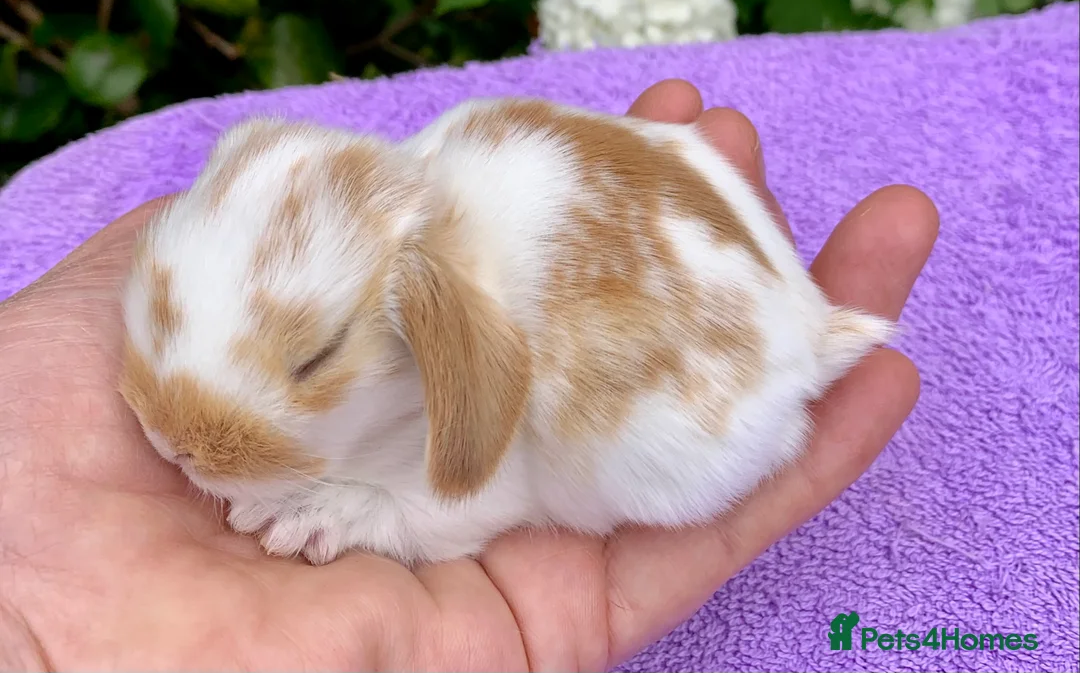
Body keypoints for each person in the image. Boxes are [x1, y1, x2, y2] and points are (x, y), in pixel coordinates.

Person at [0, 79, 937, 672]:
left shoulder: (452, 314)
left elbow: (487, 480)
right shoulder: (414, 184)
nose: (178, 436)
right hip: (682, 265)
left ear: (440, 337)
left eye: (314, 356)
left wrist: (369, 511)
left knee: (633, 453)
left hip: (720, 386)